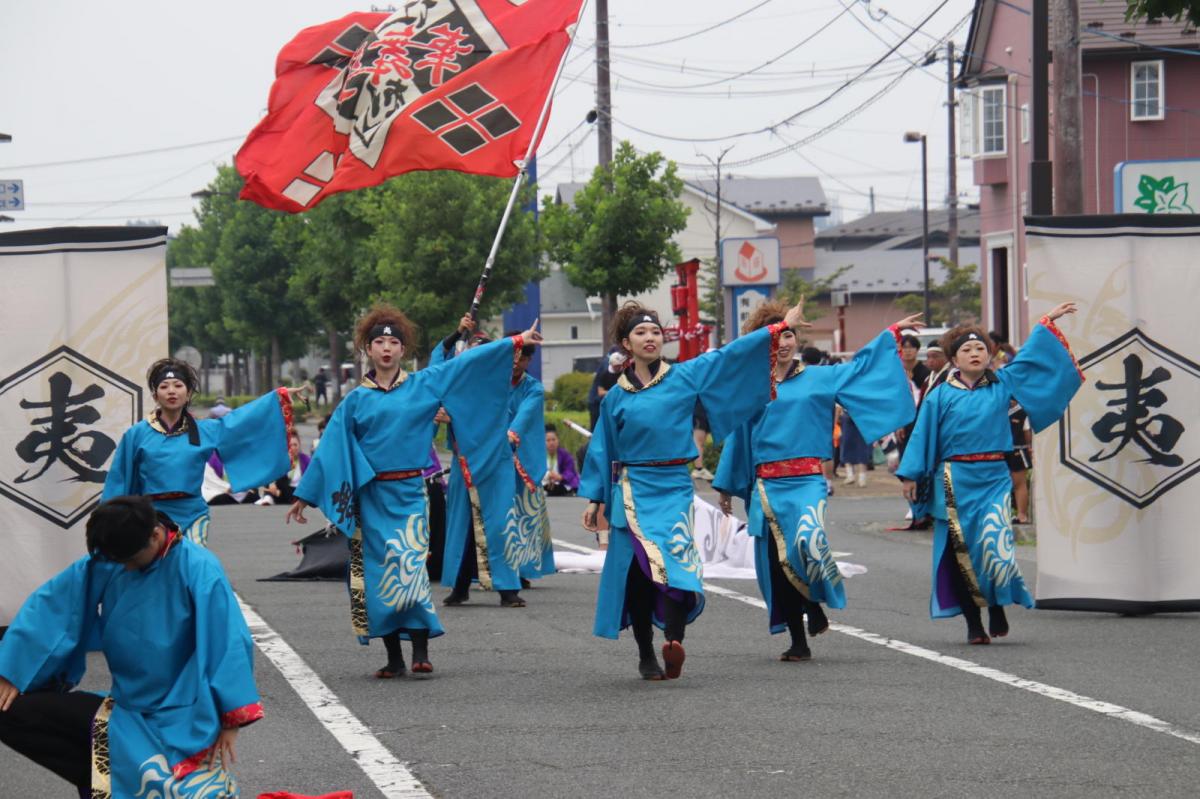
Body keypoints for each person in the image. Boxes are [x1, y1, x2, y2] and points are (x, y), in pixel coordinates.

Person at [287, 305, 540, 679]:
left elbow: (465, 366)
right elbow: (331, 450)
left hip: (409, 493)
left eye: (394, 342)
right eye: (379, 342)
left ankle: (420, 649)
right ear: (368, 349)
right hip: (372, 496)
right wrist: (305, 494)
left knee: (409, 569)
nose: (386, 348)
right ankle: (393, 656)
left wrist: (515, 341)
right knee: (379, 574)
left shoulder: (425, 384)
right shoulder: (356, 400)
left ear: (403, 349)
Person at [581, 299, 808, 681]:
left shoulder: (684, 377)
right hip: (633, 491)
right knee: (637, 576)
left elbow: (728, 356)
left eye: (655, 331)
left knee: (678, 567)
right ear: (625, 343)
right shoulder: (617, 396)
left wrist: (777, 328)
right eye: (641, 332)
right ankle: (645, 655)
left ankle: (673, 640)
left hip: (672, 488)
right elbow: (604, 448)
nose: (650, 338)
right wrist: (596, 499)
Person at [0, 496, 263, 797]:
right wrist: (12, 669)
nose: (124, 568)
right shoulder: (115, 556)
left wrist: (232, 719)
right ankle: (103, 781)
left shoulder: (199, 568)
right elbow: (57, 603)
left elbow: (228, 641)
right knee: (10, 711)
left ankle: (111, 781)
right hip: (126, 706)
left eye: (131, 560)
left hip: (183, 712)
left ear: (155, 534)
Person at [715, 306, 919, 661]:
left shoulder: (820, 377)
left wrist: (891, 334)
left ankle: (812, 600)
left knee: (807, 542)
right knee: (779, 562)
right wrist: (726, 485)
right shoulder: (752, 386)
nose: (783, 343)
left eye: (789, 335)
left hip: (808, 479)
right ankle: (799, 637)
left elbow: (861, 368)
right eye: (775, 336)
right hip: (767, 484)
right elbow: (738, 435)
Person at [897, 303, 1082, 644]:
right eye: (966, 349)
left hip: (995, 475)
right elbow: (922, 435)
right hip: (954, 479)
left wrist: (1046, 324)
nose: (974, 353)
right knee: (960, 551)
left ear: (989, 354)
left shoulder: (1002, 383)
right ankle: (973, 623)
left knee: (996, 545)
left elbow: (1030, 359)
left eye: (980, 348)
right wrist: (911, 475)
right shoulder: (940, 395)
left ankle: (996, 605)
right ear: (954, 358)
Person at [103, 358, 305, 546]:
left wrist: (280, 397)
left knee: (193, 566)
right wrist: (111, 520)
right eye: (164, 387)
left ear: (188, 393)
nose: (171, 391)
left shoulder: (205, 430)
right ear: (155, 395)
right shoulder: (137, 434)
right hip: (151, 515)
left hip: (192, 513)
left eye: (178, 386)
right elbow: (120, 478)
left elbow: (242, 422)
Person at [437, 319, 541, 607]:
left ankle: (508, 587)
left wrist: (519, 339)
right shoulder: (457, 388)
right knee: (462, 526)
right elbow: (437, 364)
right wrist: (456, 333)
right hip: (464, 464)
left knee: (498, 524)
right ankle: (460, 585)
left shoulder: (501, 388)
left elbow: (520, 419)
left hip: (496, 462)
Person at [504, 332, 556, 591]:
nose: (516, 361)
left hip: (522, 457)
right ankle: (494, 568)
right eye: (512, 355)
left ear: (529, 360)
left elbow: (524, 418)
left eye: (522, 356)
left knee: (525, 514)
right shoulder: (490, 385)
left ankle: (522, 570)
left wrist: (509, 436)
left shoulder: (533, 388)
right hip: (495, 457)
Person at [257, 430, 311, 505]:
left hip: (299, 492)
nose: (293, 448)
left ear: (299, 445)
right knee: (276, 481)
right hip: (284, 491)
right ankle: (269, 497)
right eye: (290, 445)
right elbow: (273, 475)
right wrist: (272, 484)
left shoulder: (306, 460)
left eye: (295, 445)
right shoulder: (282, 459)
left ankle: (270, 497)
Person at [1005, 400, 1033, 524]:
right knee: (1001, 485)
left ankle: (1022, 515)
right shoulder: (994, 408)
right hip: (998, 451)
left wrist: (1029, 447)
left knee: (1019, 484)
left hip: (1018, 450)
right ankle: (1006, 515)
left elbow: (1027, 432)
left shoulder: (1023, 411)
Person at [543, 423, 579, 496]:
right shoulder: (539, 455)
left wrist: (561, 477)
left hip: (561, 482)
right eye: (548, 440)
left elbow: (570, 470)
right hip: (544, 482)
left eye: (553, 439)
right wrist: (547, 475)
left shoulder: (565, 455)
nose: (551, 443)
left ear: (558, 440)